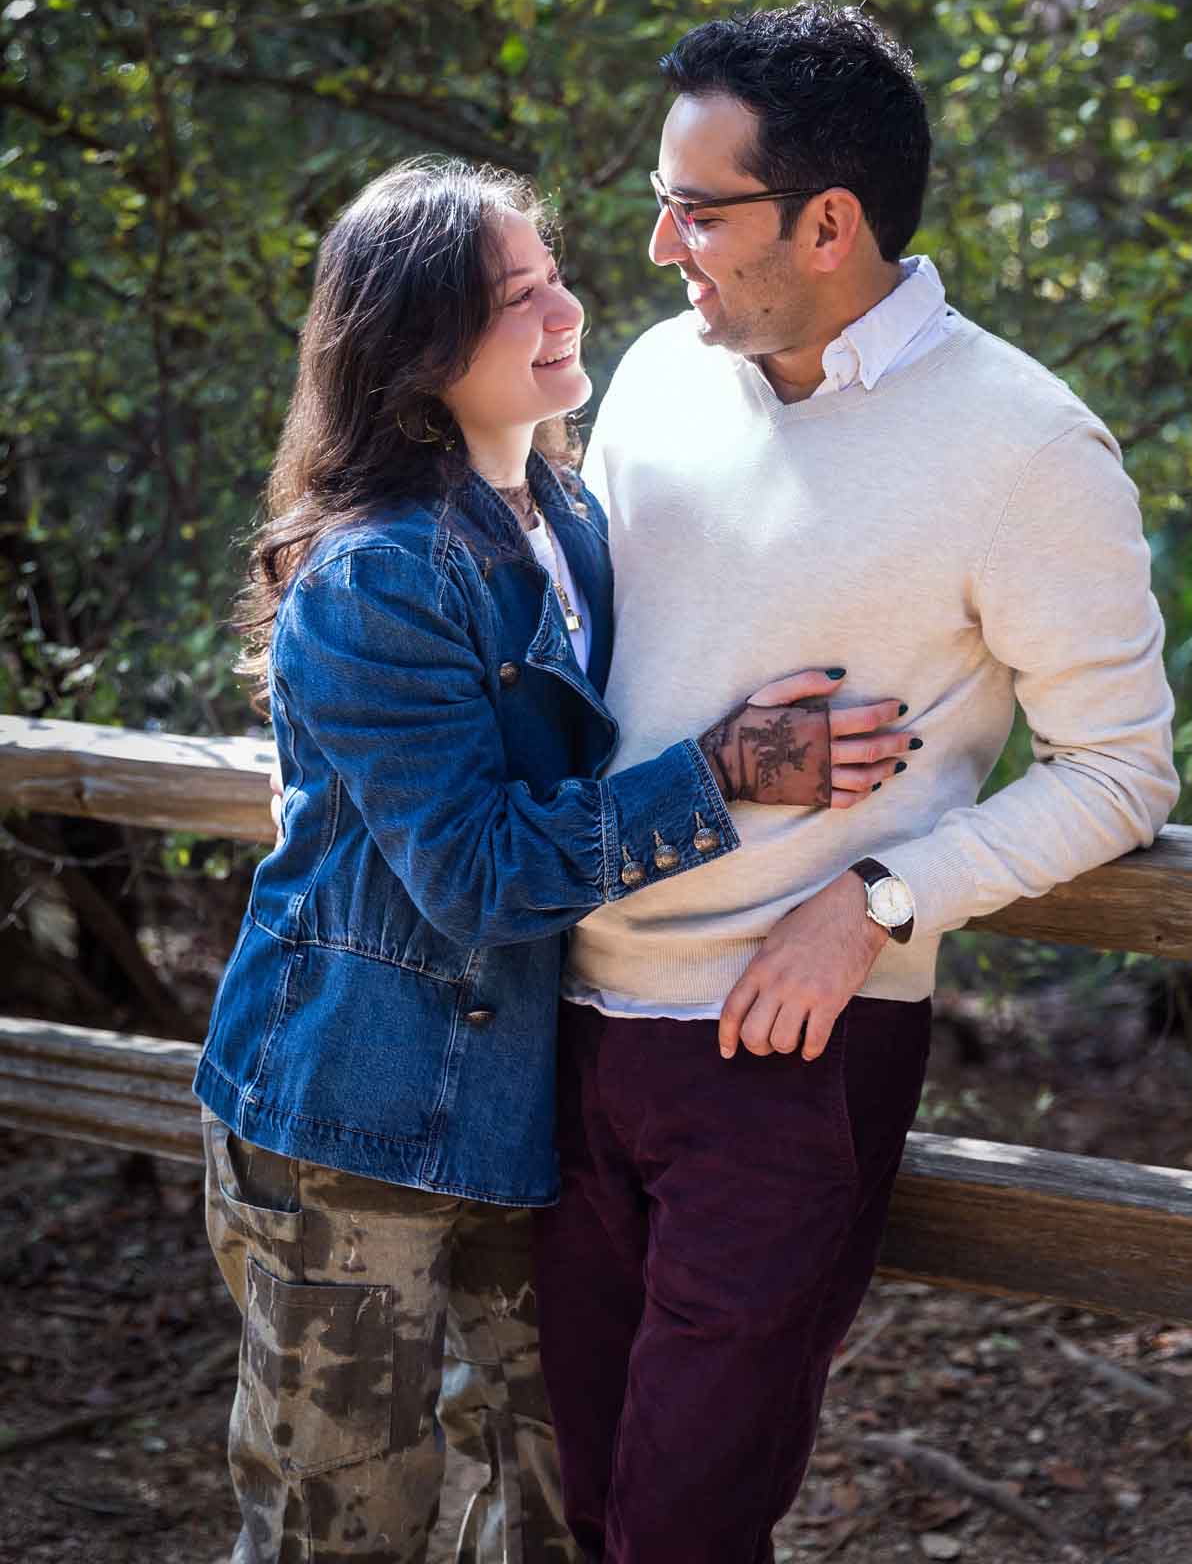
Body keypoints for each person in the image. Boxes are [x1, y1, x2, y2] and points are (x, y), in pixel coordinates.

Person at [532, 0, 1180, 1563]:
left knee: (682, 1530)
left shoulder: (1025, 444)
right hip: (558, 1034)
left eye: (699, 210)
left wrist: (879, 901)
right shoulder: (653, 378)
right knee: (594, 1500)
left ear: (828, 223)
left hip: (783, 1057)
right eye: (660, 203)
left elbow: (1120, 769)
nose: (662, 246)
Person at [194, 157, 913, 1564]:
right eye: (515, 297)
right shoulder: (377, 574)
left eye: (552, 274)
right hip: (348, 1116)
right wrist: (716, 778)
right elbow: (468, 874)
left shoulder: (570, 518)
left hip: (528, 1108)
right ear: (416, 351)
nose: (565, 308)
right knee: (342, 1533)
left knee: (551, 1505)